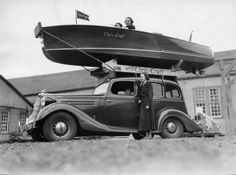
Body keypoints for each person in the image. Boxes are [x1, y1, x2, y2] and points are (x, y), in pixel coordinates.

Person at [137, 73, 153, 139]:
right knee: (144, 120)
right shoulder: (141, 84)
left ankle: (150, 134)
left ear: (146, 77)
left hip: (147, 102)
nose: (141, 78)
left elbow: (150, 94)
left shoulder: (149, 84)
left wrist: (148, 104)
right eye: (140, 77)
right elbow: (139, 94)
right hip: (143, 102)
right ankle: (146, 134)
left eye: (142, 77)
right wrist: (139, 99)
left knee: (148, 119)